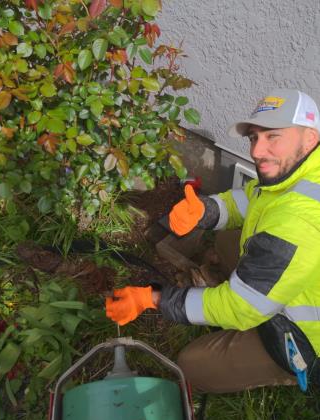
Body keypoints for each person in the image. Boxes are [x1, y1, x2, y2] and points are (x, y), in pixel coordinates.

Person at [106, 88, 320, 393]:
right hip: (294, 281)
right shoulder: (301, 172)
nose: (257, 151)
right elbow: (251, 199)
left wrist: (154, 298)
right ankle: (255, 289)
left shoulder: (298, 220)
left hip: (303, 336)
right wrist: (204, 211)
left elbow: (239, 307)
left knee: (192, 365)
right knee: (228, 240)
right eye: (254, 138)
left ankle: (290, 370)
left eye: (273, 137)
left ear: (309, 138)